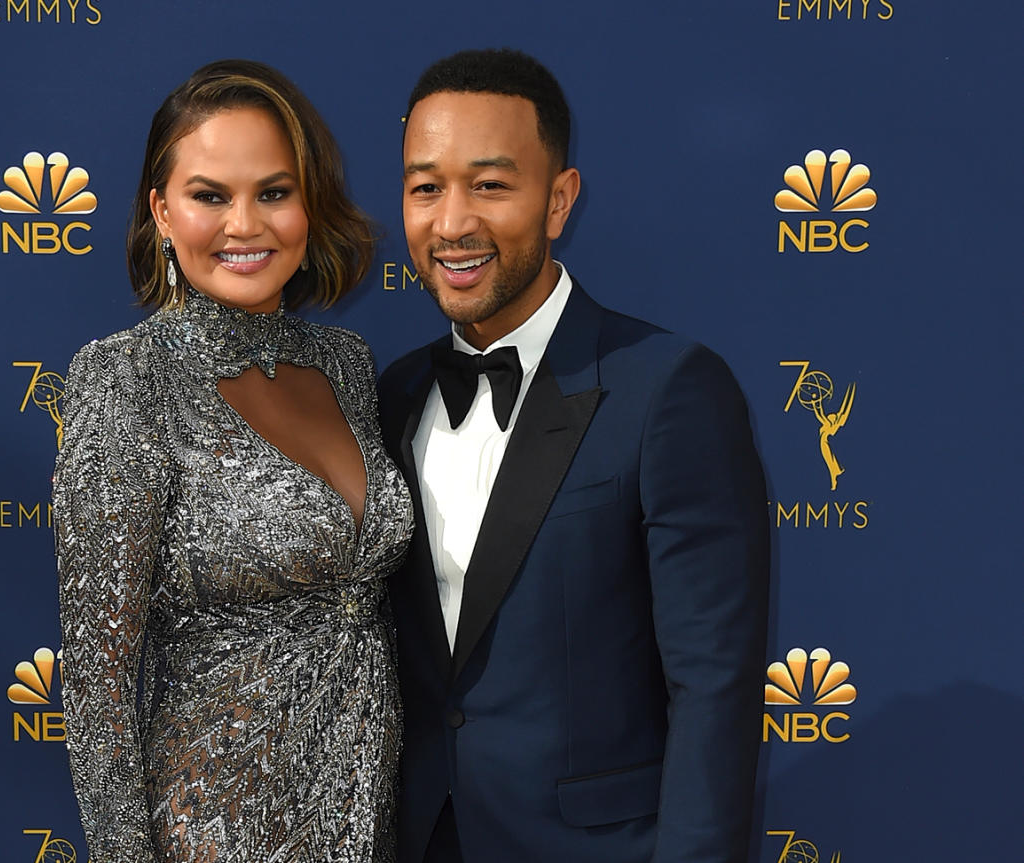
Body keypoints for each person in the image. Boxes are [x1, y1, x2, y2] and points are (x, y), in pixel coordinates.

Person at [377, 48, 769, 863]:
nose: (452, 223)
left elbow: (713, 688)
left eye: (490, 185)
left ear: (559, 201)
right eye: (425, 187)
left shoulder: (668, 389)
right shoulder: (392, 395)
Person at [53, 59, 413, 863]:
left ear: (308, 205)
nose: (244, 224)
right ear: (162, 211)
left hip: (367, 820)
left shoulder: (346, 362)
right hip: (217, 829)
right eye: (210, 195)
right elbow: (98, 684)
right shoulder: (126, 378)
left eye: (274, 193)